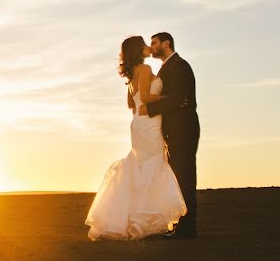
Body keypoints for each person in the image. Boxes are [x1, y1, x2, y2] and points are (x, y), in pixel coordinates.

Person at [85, 36, 186, 240]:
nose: (149, 47)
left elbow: (132, 103)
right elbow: (147, 99)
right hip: (149, 123)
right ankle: (142, 220)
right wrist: (171, 99)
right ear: (139, 50)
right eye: (145, 45)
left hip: (139, 124)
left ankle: (135, 218)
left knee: (142, 166)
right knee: (154, 165)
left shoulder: (132, 74)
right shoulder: (146, 70)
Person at [138, 32, 200, 239]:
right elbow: (173, 98)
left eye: (154, 43)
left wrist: (151, 109)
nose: (151, 46)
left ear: (166, 43)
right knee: (177, 176)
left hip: (183, 127)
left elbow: (178, 97)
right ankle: (182, 223)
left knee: (185, 175)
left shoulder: (180, 66)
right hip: (172, 128)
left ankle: (187, 227)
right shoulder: (165, 68)